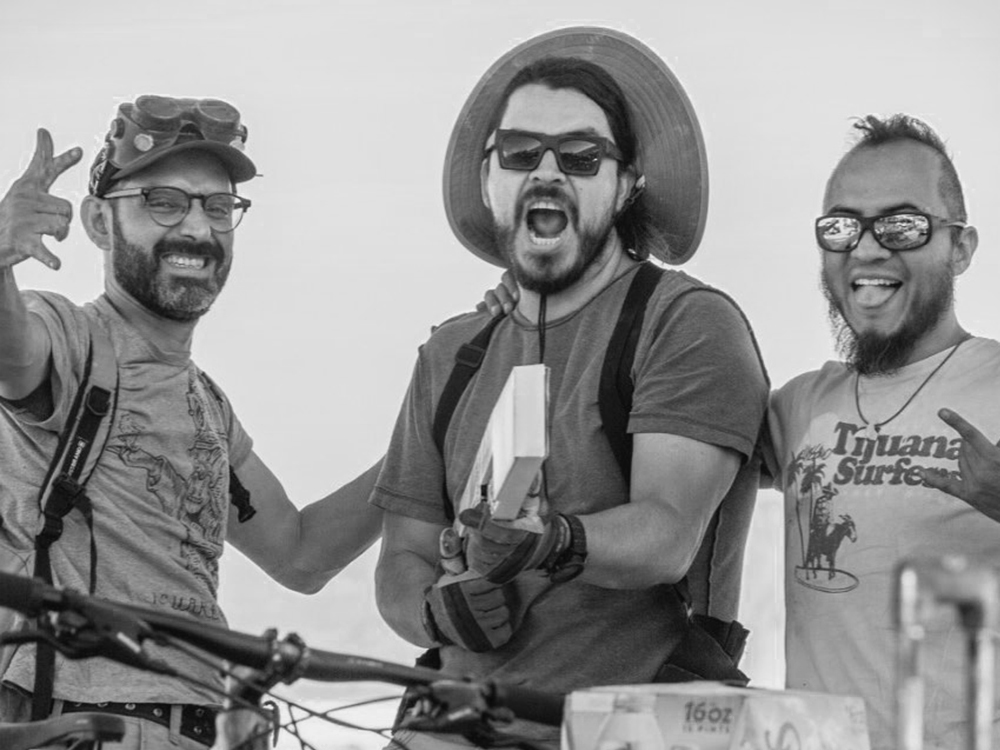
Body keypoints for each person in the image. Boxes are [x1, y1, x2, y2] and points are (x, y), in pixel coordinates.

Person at [371, 27, 769, 749]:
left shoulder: (684, 322)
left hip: (633, 732)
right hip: (452, 727)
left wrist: (552, 540)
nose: (547, 173)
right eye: (521, 153)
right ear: (489, 179)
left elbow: (668, 535)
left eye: (581, 156)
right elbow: (403, 557)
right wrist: (435, 612)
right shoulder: (449, 353)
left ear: (627, 184)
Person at [0, 96, 383, 748]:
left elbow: (301, 556)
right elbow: (11, 353)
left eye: (218, 206)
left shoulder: (208, 403)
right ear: (98, 221)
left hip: (200, 730)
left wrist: (431, 432)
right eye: (164, 202)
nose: (198, 228)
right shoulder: (67, 341)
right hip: (82, 723)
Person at [766, 114, 1000, 750]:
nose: (867, 250)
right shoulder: (801, 405)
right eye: (842, 227)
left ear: (960, 247)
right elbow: (677, 444)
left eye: (902, 225)